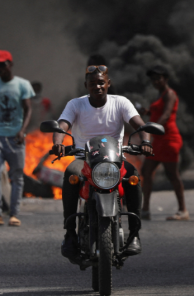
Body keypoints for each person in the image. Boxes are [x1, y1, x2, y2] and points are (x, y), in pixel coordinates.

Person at [52, 64, 153, 259]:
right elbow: (62, 125)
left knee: (133, 176)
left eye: (101, 83)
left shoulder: (121, 102)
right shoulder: (75, 104)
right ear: (86, 85)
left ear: (108, 83)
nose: (97, 87)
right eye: (92, 84)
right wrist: (58, 143)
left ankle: (134, 234)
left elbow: (140, 124)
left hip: (114, 160)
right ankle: (70, 234)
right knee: (71, 175)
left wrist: (146, 141)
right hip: (84, 160)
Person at [0, 50, 35, 227]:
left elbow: (28, 109)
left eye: (2, 65)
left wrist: (23, 130)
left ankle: (14, 214)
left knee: (17, 177)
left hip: (15, 137)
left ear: (10, 65)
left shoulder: (22, 85)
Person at [140, 65, 188, 221]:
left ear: (165, 79)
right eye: (153, 79)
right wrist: (147, 112)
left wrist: (152, 128)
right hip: (158, 140)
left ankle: (183, 210)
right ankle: (145, 210)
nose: (155, 81)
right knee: (146, 171)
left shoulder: (170, 94)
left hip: (169, 139)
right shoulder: (160, 95)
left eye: (158, 78)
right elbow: (158, 112)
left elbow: (166, 114)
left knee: (172, 175)